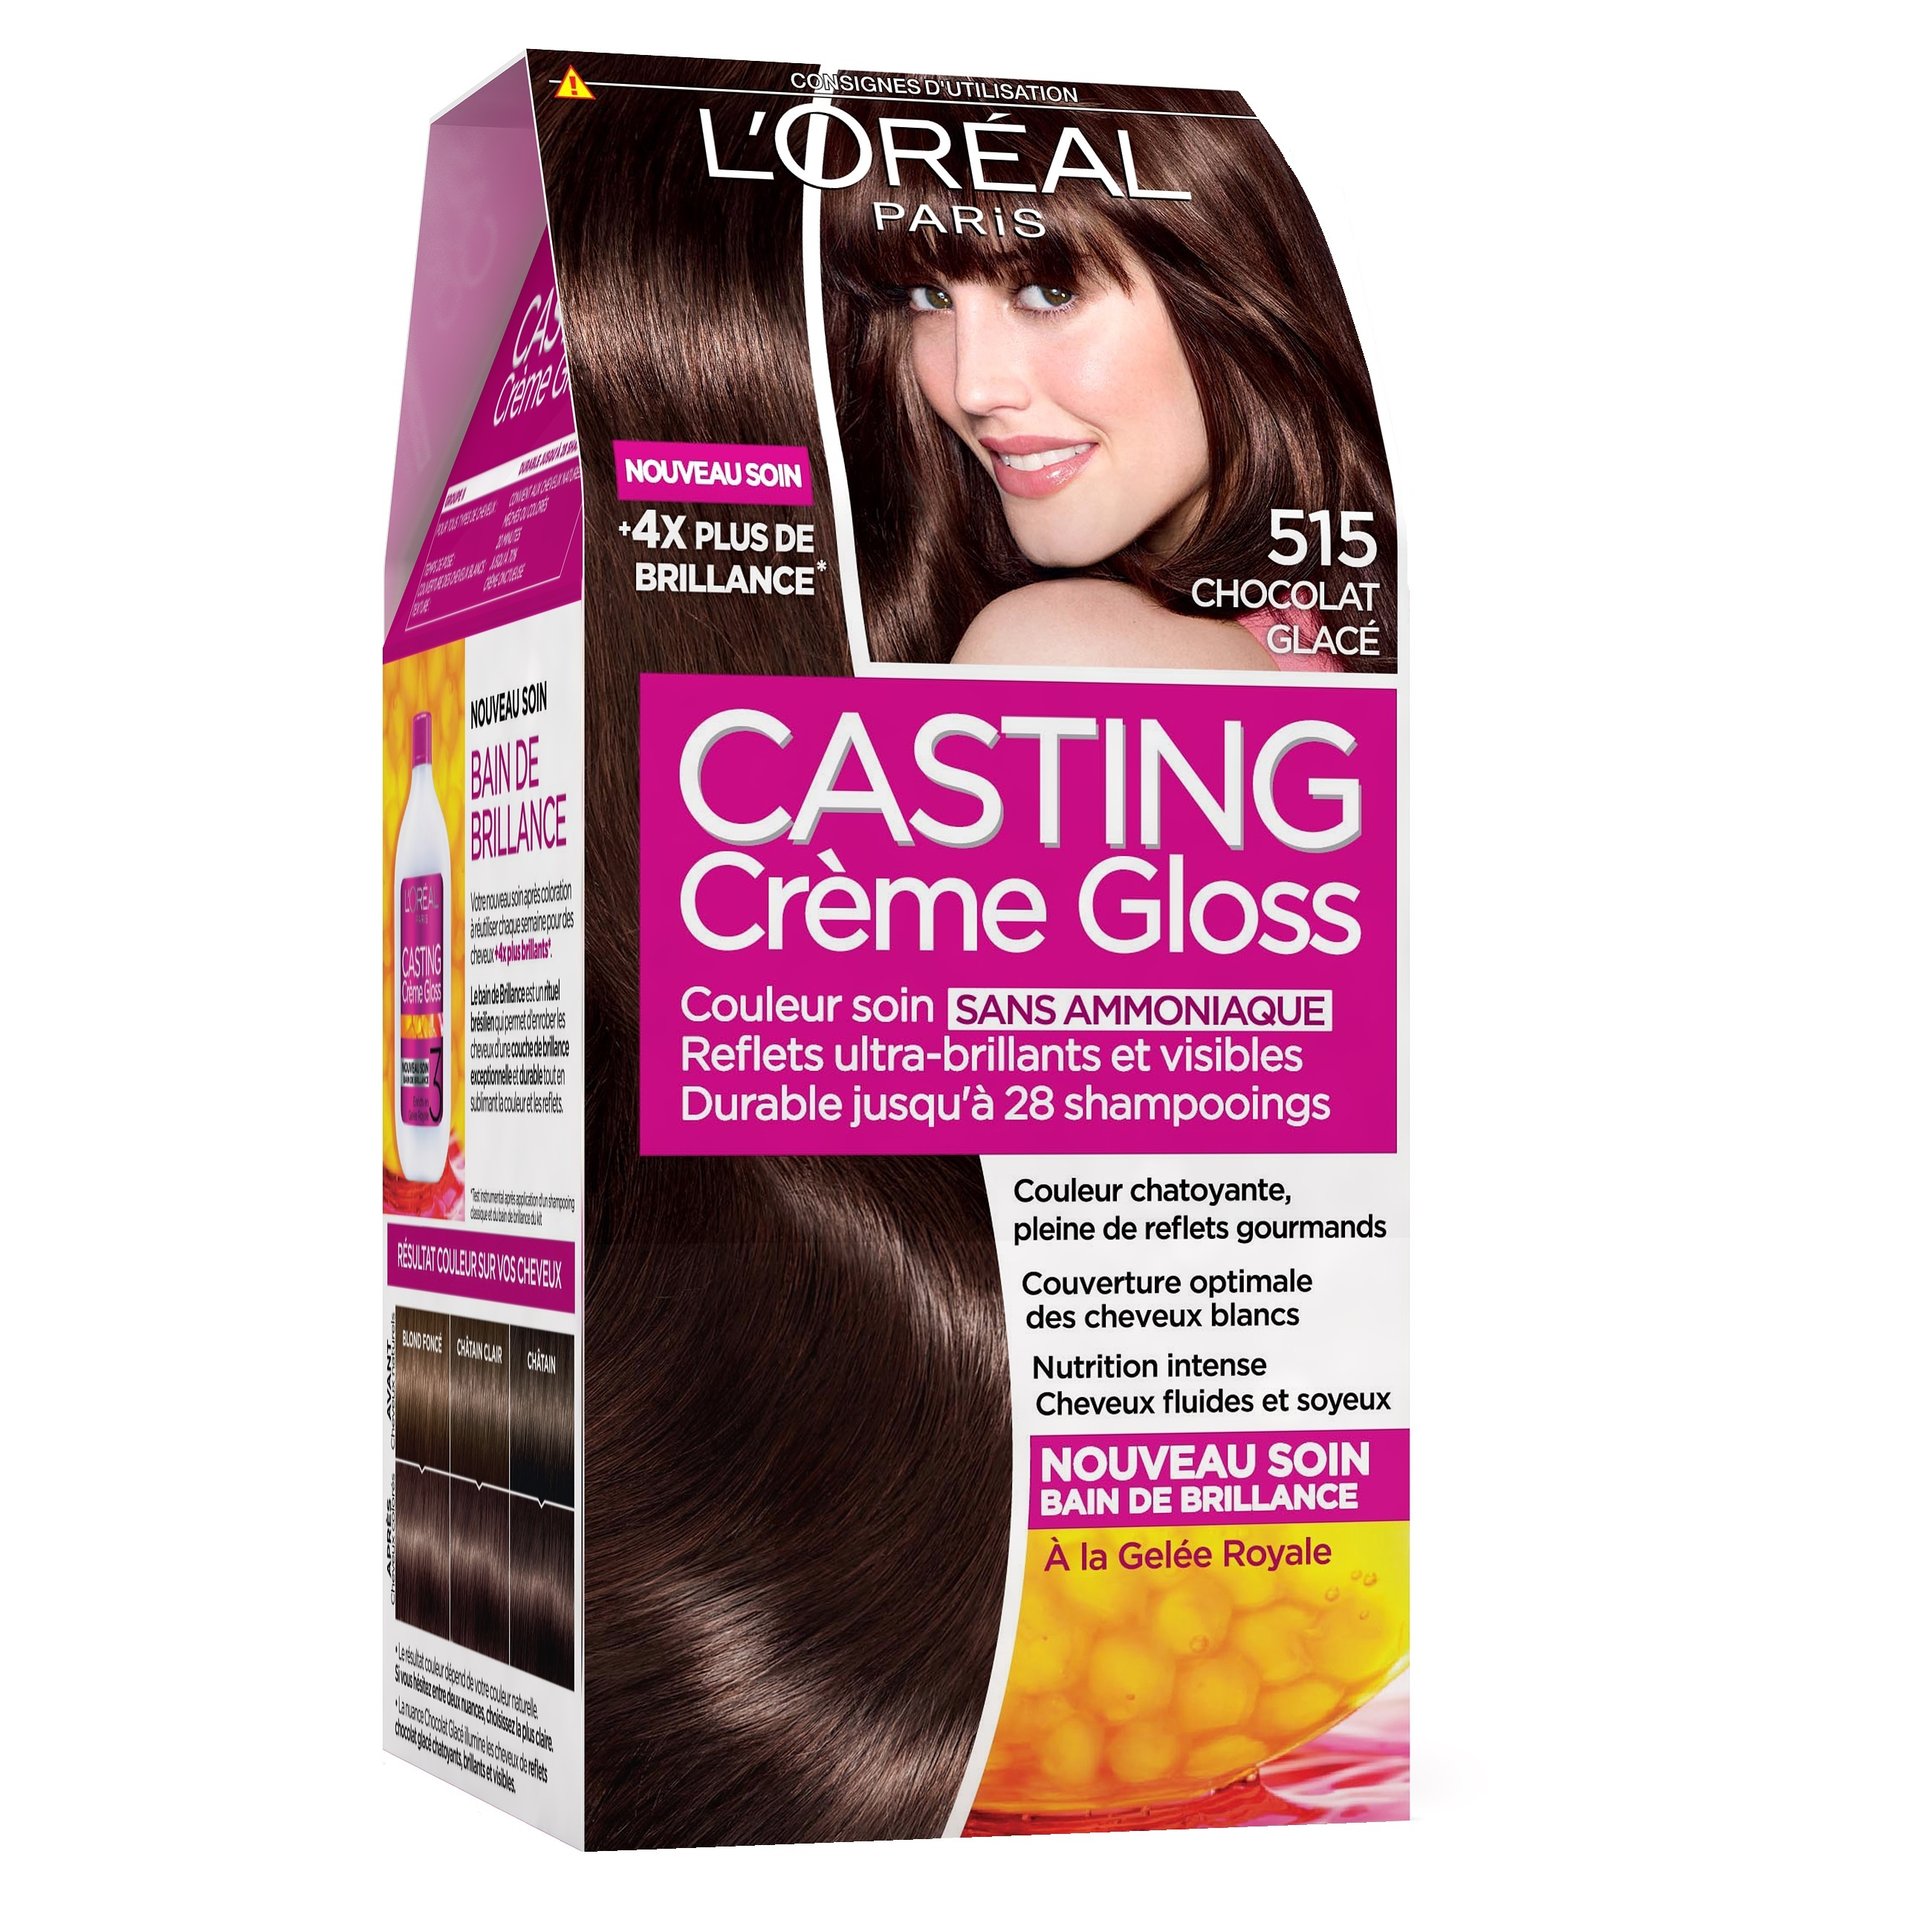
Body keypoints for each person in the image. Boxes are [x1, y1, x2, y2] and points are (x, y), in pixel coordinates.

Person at [822, 91, 1398, 676]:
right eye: (930, 297)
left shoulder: (1059, 651)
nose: (972, 389)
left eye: (1049, 293)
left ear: (1234, 293)